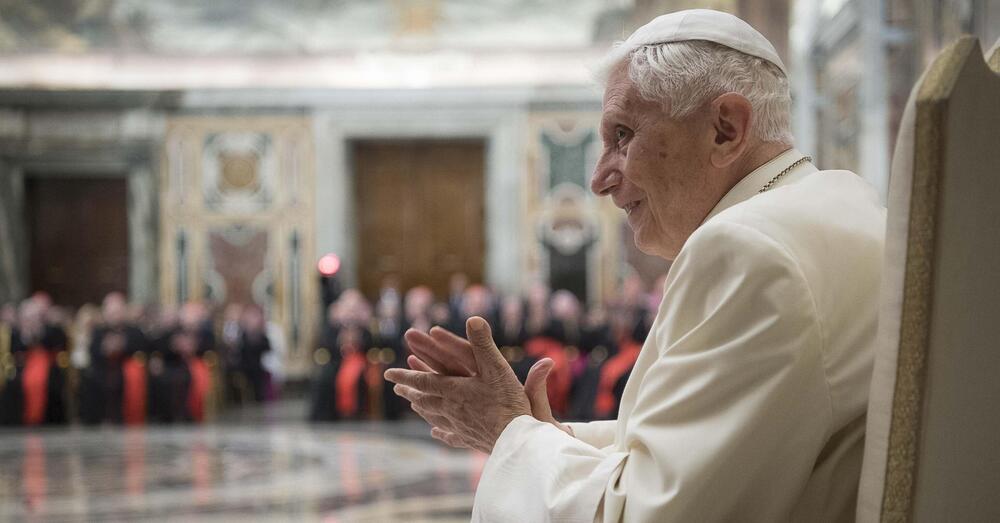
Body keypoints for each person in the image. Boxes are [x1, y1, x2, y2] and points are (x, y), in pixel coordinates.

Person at [386, 9, 885, 522]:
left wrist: (507, 433)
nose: (600, 179)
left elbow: (644, 513)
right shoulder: (842, 201)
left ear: (725, 129)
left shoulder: (746, 250)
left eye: (622, 136)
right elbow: (701, 448)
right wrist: (541, 435)